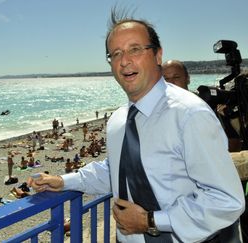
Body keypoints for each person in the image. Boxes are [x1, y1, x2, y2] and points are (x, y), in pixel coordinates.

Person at [28, 11, 245, 242]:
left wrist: (150, 221)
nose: (124, 61)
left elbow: (226, 200)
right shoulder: (119, 121)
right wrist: (63, 181)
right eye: (116, 53)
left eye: (135, 49)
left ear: (157, 55)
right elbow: (116, 170)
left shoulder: (189, 114)